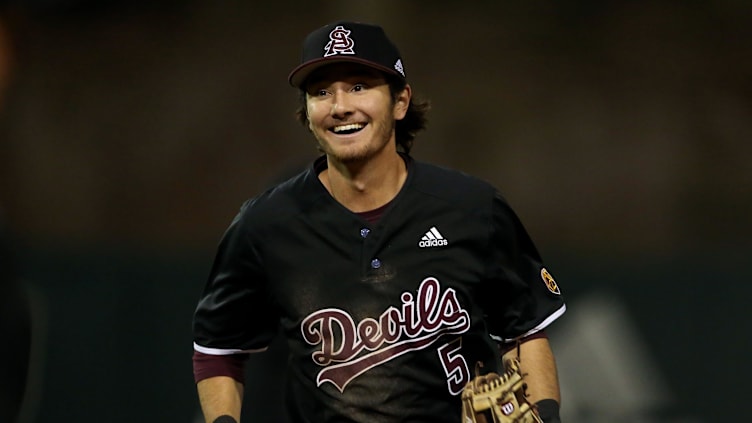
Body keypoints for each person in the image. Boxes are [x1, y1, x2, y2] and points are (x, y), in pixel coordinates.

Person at [192, 20, 566, 423]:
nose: (340, 106)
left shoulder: (472, 208)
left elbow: (524, 331)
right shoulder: (266, 224)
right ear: (307, 112)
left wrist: (546, 416)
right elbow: (218, 350)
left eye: (359, 86)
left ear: (400, 101)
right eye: (321, 92)